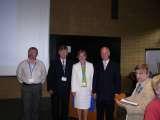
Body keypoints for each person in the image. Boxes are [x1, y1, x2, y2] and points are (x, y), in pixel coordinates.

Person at [16, 47, 47, 120]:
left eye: (34, 52)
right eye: (31, 52)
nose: (32, 53)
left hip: (37, 87)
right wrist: (23, 82)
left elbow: (44, 74)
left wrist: (40, 83)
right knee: (26, 106)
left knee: (36, 106)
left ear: (37, 54)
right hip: (26, 87)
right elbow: (18, 74)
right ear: (28, 53)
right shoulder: (23, 63)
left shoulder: (41, 63)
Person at [92, 46, 121, 120]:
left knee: (110, 116)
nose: (103, 54)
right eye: (102, 53)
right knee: (99, 115)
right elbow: (95, 78)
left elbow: (118, 80)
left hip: (110, 95)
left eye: (105, 53)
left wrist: (117, 92)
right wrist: (94, 91)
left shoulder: (115, 65)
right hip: (100, 95)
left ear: (109, 53)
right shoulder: (97, 65)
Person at [47, 45, 73, 120]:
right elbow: (50, 76)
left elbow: (73, 76)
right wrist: (50, 88)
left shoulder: (71, 63)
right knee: (55, 107)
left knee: (65, 107)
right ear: (59, 53)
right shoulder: (54, 62)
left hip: (66, 89)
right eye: (62, 52)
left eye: (65, 52)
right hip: (55, 89)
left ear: (67, 53)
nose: (63, 53)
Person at [71, 49, 94, 120]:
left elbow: (92, 78)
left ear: (86, 56)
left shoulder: (90, 65)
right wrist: (73, 90)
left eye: (83, 55)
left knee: (86, 107)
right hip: (78, 90)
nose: (81, 57)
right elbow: (73, 79)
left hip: (87, 90)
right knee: (79, 107)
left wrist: (92, 89)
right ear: (78, 57)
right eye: (80, 56)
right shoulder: (75, 66)